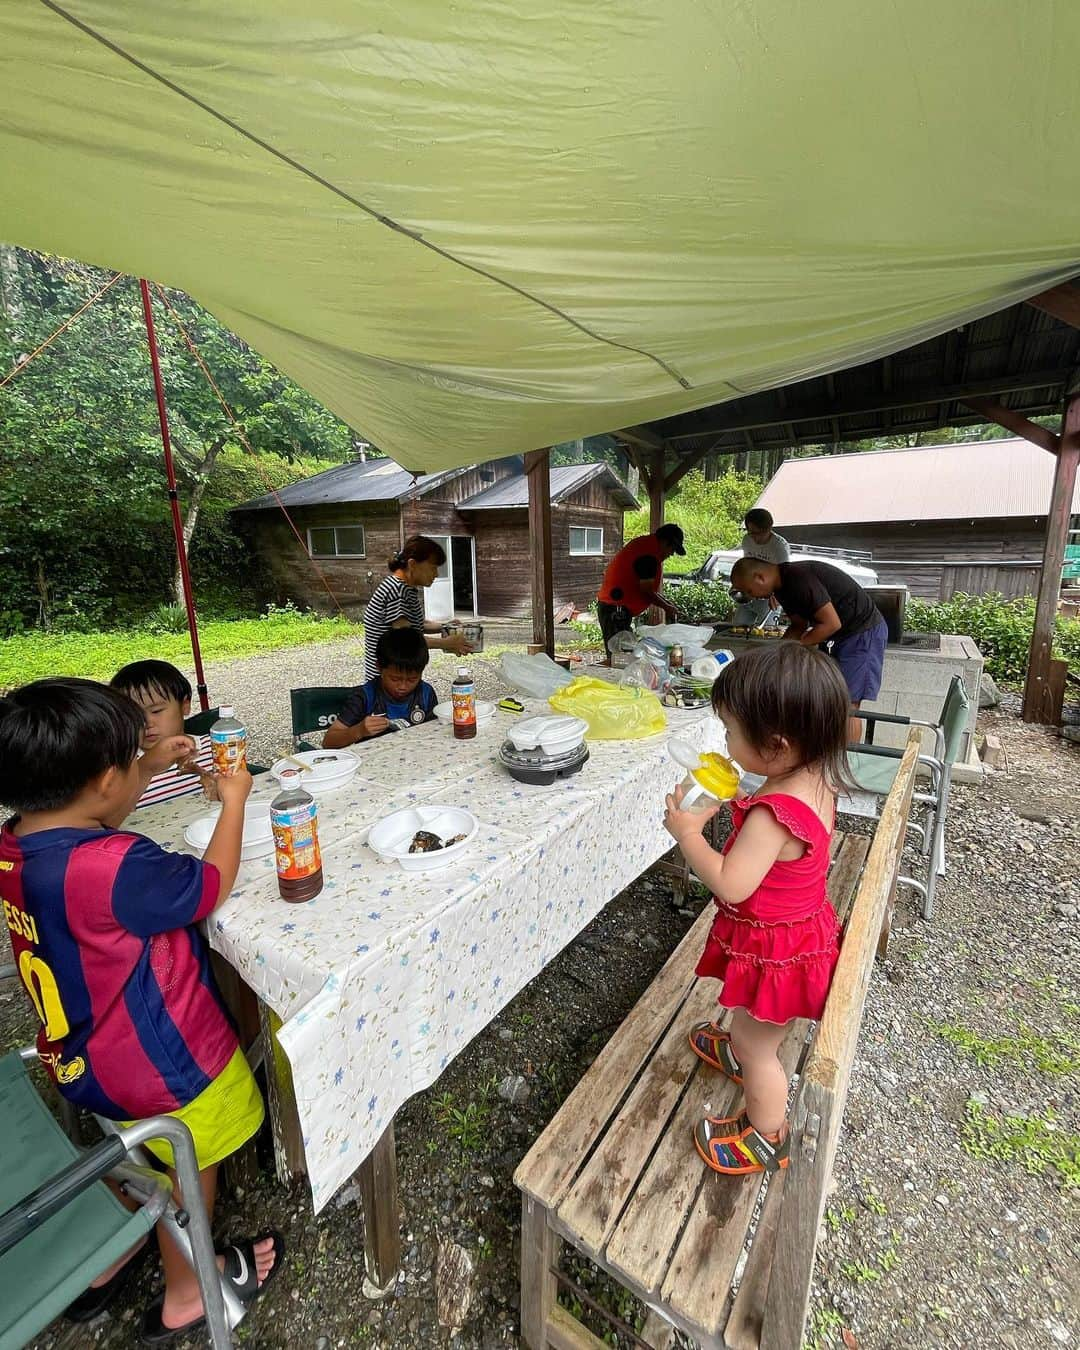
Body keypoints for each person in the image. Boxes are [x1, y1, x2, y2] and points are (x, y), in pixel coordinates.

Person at [0, 679, 283, 1338]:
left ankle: (111, 1253)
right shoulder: (114, 863)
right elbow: (207, 887)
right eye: (134, 760)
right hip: (158, 1062)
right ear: (102, 782)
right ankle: (187, 1289)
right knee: (189, 1160)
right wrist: (235, 800)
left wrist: (148, 765)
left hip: (80, 1051)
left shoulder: (14, 846)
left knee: (136, 1150)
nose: (141, 768)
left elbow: (88, 802)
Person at [662, 642, 850, 1175]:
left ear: (776, 744)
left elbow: (731, 884)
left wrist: (688, 833)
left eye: (729, 731)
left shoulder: (773, 814)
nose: (724, 740)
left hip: (778, 950)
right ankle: (744, 1044)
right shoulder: (812, 776)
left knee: (757, 1045)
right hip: (799, 936)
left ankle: (767, 1137)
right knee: (755, 1027)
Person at [730, 556, 887, 737]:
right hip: (841, 636)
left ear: (760, 577)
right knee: (831, 696)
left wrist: (794, 649)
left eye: (749, 591)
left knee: (848, 703)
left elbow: (831, 624)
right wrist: (776, 655)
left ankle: (848, 761)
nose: (753, 597)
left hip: (862, 633)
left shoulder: (798, 578)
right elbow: (798, 625)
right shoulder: (781, 588)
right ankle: (830, 752)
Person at [362, 535, 472, 682]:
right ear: (412, 564)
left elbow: (416, 625)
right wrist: (447, 643)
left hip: (396, 677)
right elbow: (406, 641)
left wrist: (446, 626)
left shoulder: (403, 588)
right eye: (433, 567)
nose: (436, 574)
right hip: (389, 682)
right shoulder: (397, 591)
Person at [110, 659, 217, 809]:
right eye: (132, 715)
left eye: (156, 711)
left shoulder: (215, 748)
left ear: (185, 706)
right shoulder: (122, 768)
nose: (146, 723)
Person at [323, 626, 438, 747]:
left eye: (412, 679)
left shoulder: (426, 693)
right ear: (379, 667)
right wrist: (359, 730)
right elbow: (328, 741)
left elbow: (435, 730)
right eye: (395, 679)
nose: (403, 686)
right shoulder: (365, 697)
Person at [595, 522, 686, 657]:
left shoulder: (646, 546)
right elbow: (647, 591)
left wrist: (668, 605)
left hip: (616, 608)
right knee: (620, 656)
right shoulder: (648, 556)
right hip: (615, 610)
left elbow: (649, 590)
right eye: (672, 550)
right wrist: (667, 607)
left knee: (624, 651)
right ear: (665, 542)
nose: (671, 554)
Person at [732, 507, 791, 629]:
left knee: (765, 633)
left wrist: (779, 595)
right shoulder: (747, 540)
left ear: (769, 529)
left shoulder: (779, 547)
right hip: (748, 595)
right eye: (751, 532)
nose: (755, 538)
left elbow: (785, 575)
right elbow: (746, 566)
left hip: (769, 599)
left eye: (759, 533)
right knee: (738, 628)